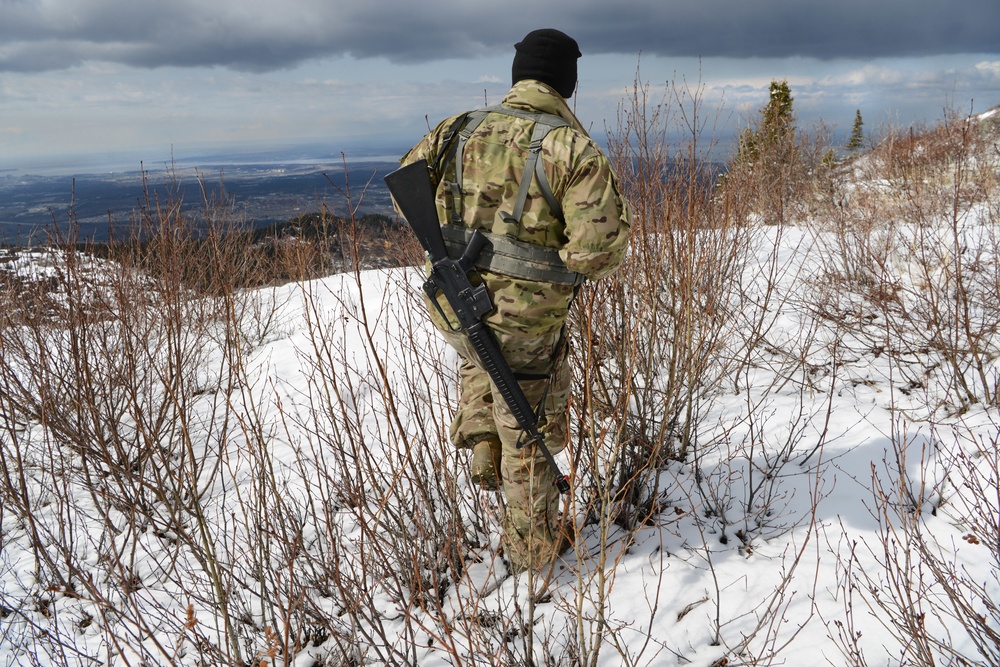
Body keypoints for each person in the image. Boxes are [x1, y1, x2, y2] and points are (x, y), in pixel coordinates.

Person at [400, 28, 631, 573]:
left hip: (459, 307)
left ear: (518, 74)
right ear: (567, 81)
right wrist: (552, 271)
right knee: (531, 430)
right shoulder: (571, 148)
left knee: (481, 365)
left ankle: (484, 455)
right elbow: (599, 250)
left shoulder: (457, 128)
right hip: (526, 322)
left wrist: (455, 249)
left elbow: (405, 184)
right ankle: (534, 559)